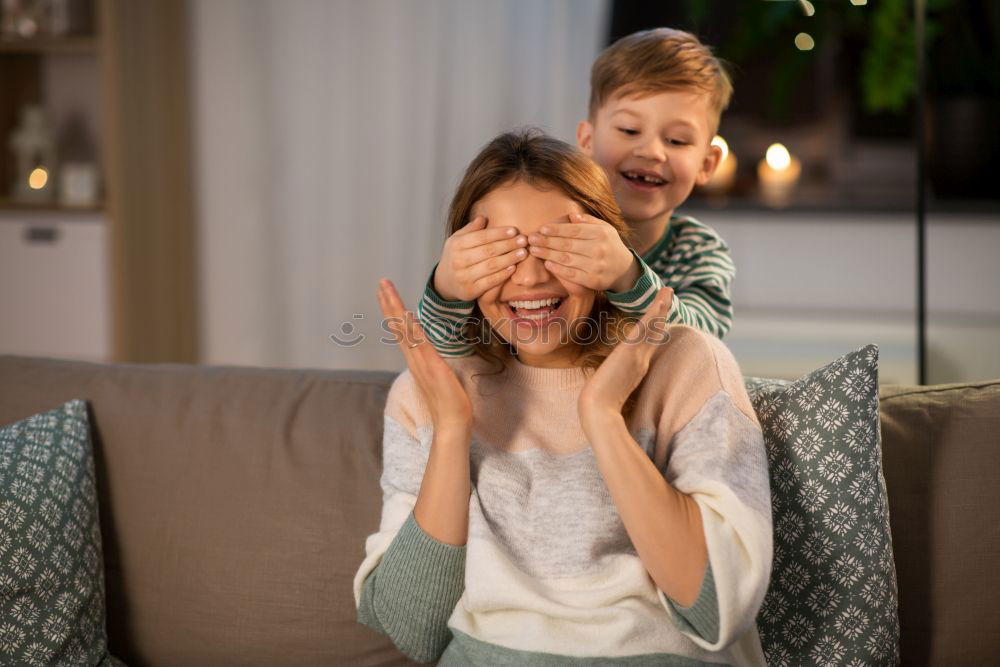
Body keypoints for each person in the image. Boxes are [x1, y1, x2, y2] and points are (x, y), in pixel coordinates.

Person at [353, 129, 772, 665]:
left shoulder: (687, 364)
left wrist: (601, 419)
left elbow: (717, 611)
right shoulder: (430, 390)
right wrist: (452, 432)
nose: (529, 278)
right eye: (501, 253)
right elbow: (412, 628)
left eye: (558, 249)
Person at [418, 27, 736, 358]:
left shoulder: (698, 252)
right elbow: (442, 356)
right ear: (586, 139)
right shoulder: (543, 223)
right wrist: (447, 289)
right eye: (629, 130)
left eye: (677, 140)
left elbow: (701, 352)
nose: (652, 151)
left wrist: (627, 276)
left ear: (707, 164)